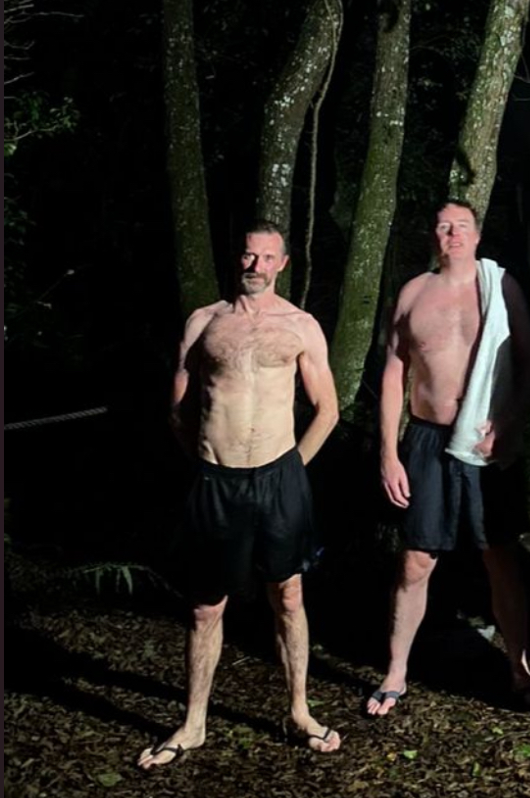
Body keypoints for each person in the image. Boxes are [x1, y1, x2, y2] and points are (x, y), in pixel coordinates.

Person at [137, 221, 341, 768]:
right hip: (216, 480)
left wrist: (293, 467)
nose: (255, 266)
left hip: (278, 478)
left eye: (266, 258)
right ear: (239, 259)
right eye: (248, 256)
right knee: (206, 608)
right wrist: (204, 461)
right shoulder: (205, 322)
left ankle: (299, 709)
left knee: (289, 596)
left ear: (283, 264)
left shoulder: (300, 326)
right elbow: (179, 409)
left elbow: (328, 409)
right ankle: (193, 723)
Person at [366, 198, 530, 717]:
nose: (452, 234)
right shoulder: (414, 293)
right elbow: (392, 375)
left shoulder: (499, 288)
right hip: (425, 440)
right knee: (416, 560)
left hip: (487, 441)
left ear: (476, 234)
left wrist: (510, 423)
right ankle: (396, 671)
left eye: (461, 226)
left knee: (501, 558)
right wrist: (388, 452)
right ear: (435, 236)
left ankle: (519, 669)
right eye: (443, 227)